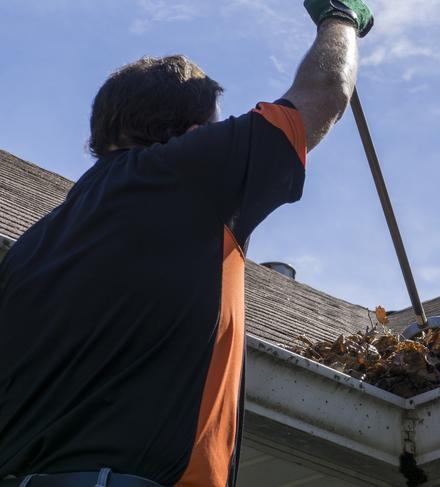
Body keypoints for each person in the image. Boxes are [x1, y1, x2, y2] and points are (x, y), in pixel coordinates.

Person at [0, 1, 373, 486]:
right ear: (196, 134)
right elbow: (323, 93)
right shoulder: (188, 171)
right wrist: (341, 18)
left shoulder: (35, 245)